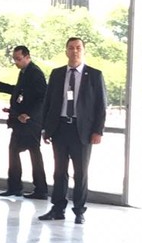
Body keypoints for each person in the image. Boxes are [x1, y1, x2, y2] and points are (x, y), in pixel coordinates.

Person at [39, 37, 107, 225]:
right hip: (60, 127)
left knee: (80, 172)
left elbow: (101, 106)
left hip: (82, 130)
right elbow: (49, 102)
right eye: (71, 48)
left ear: (83, 50)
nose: (75, 51)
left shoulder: (94, 75)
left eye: (78, 48)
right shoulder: (57, 73)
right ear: (66, 51)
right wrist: (46, 128)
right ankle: (58, 208)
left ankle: (79, 210)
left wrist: (97, 131)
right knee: (59, 171)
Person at [0, 45, 48, 199]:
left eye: (19, 59)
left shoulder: (35, 73)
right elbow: (18, 91)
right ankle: (16, 186)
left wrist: (29, 115)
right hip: (21, 120)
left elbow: (42, 97)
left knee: (33, 153)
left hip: (30, 123)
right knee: (15, 151)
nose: (16, 62)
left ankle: (40, 189)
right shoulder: (24, 72)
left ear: (28, 57)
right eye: (14, 59)